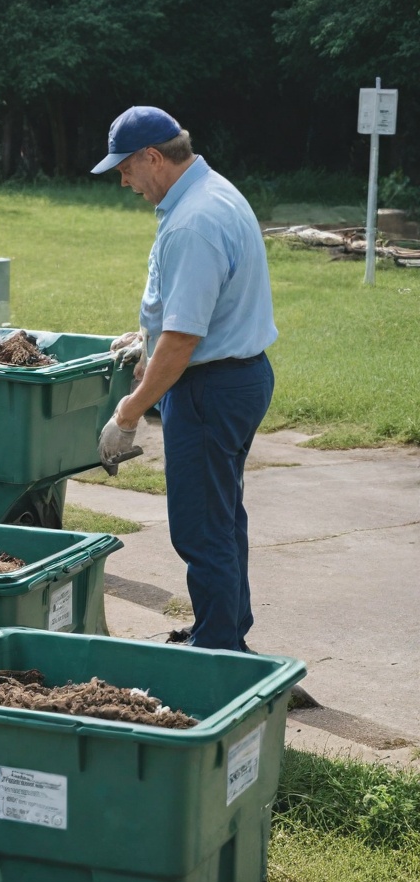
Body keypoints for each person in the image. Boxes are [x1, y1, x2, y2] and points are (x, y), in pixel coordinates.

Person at [94, 106, 277, 651]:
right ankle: (223, 630)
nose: (124, 183)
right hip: (237, 378)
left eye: (125, 170)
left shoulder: (193, 221)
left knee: (199, 528)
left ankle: (219, 652)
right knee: (222, 518)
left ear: (153, 157)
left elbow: (183, 343)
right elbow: (188, 315)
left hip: (208, 389)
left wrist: (127, 413)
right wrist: (143, 338)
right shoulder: (211, 192)